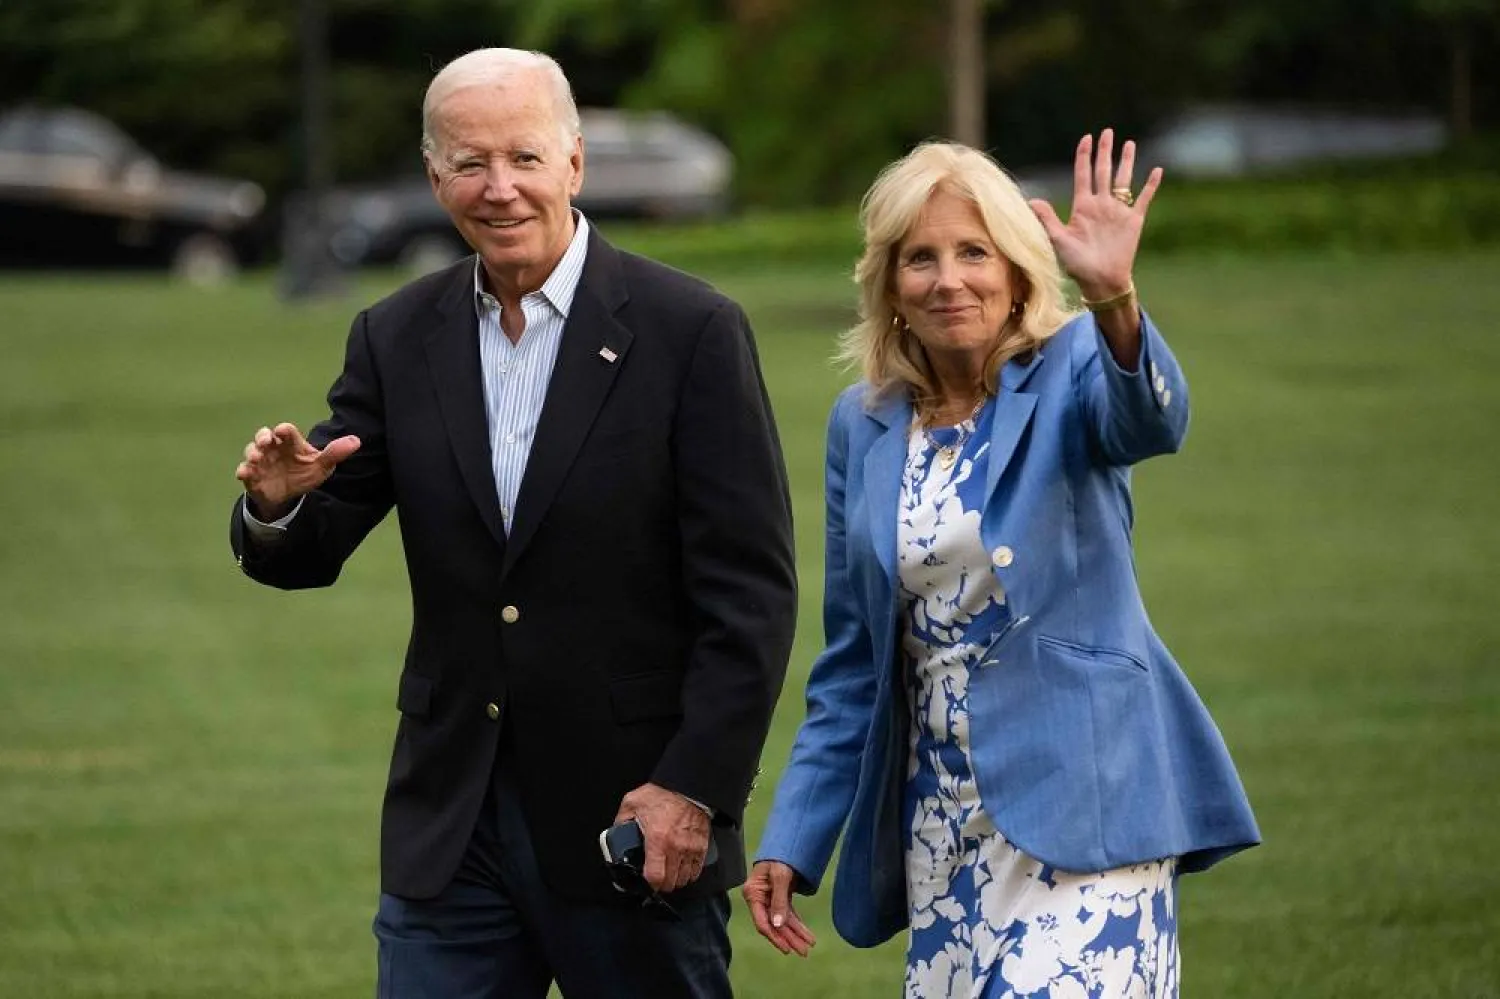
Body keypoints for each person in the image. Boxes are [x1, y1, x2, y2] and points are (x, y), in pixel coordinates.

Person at [230, 47, 796, 998]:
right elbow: (311, 542)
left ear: (575, 163)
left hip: (634, 822)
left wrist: (692, 788)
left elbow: (752, 595)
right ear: (433, 176)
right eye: (469, 163)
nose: (499, 189)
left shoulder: (689, 330)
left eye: (524, 158)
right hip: (452, 830)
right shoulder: (394, 333)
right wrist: (278, 504)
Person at [743, 133, 1260, 997]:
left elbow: (1151, 424)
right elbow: (852, 663)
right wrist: (793, 837)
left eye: (974, 251)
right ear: (891, 285)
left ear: (1018, 268)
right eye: (922, 258)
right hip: (945, 827)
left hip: (1090, 808)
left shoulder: (1073, 368)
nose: (950, 279)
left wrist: (1116, 301)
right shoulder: (862, 422)